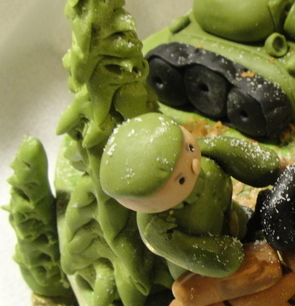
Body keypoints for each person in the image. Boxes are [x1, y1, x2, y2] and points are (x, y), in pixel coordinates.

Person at [100, 112, 280, 279]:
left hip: (234, 217)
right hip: (204, 271)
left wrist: (265, 167)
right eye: (180, 180)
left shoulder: (203, 157)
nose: (193, 166)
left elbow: (229, 151)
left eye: (189, 148)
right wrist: (224, 256)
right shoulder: (157, 226)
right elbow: (185, 250)